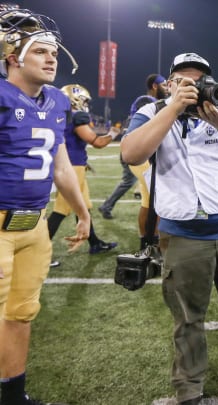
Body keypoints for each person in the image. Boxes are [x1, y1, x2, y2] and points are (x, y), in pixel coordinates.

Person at [121, 52, 218, 405]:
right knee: (188, 317)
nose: (193, 86)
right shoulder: (153, 112)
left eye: (199, 80)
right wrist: (173, 108)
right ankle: (189, 386)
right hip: (183, 233)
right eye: (184, 80)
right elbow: (131, 153)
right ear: (169, 84)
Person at [0, 7, 90, 405]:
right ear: (12, 57)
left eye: (54, 51)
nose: (52, 58)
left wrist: (83, 211)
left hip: (34, 226)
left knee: (21, 314)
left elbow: (61, 165)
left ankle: (13, 395)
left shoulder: (56, 101)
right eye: (40, 51)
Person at [46, 84, 119, 261]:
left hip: (74, 164)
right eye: (84, 100)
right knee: (61, 210)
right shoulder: (77, 116)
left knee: (83, 207)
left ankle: (95, 243)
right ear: (76, 99)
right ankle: (39, 251)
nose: (85, 103)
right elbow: (97, 142)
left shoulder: (62, 115)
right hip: (71, 168)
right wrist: (113, 134)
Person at [98, 73, 168, 220]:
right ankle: (151, 234)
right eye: (164, 85)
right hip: (136, 150)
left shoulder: (157, 102)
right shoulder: (147, 101)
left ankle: (107, 206)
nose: (167, 88)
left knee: (134, 184)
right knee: (153, 193)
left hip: (141, 151)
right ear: (155, 86)